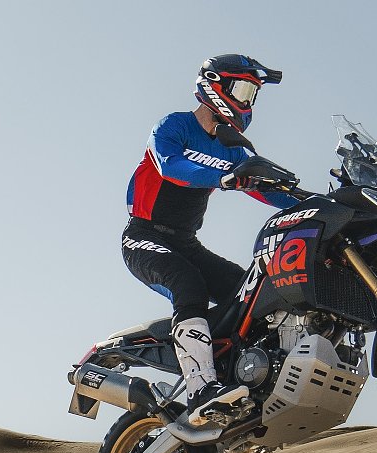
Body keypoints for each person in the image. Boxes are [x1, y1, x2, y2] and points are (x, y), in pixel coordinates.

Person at [122, 54, 298, 427]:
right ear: (215, 85)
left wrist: (314, 204)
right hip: (144, 237)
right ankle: (201, 389)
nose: (249, 101)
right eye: (244, 89)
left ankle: (249, 376)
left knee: (250, 289)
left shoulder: (235, 148)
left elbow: (267, 191)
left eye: (254, 93)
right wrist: (224, 178)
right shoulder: (175, 125)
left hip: (187, 243)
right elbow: (170, 165)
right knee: (189, 287)